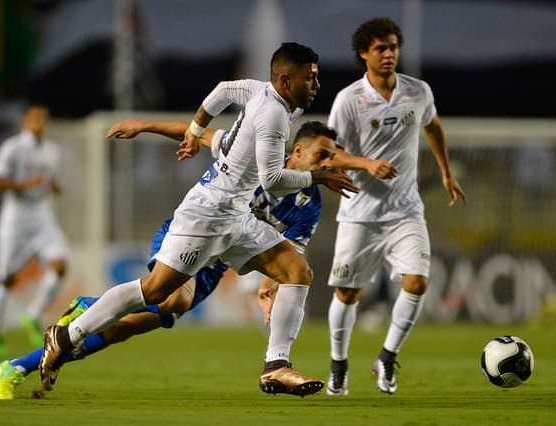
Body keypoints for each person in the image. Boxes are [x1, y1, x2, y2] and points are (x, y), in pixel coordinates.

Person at [39, 42, 359, 397]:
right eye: (309, 79)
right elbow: (272, 180)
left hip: (236, 214)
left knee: (297, 271)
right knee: (156, 291)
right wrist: (320, 177)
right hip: (209, 214)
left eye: (316, 78)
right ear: (285, 80)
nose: (316, 86)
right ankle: (66, 335)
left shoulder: (258, 91)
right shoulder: (275, 116)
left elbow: (222, 90)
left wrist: (195, 129)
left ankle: (276, 366)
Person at [0, 119, 338, 400]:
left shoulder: (310, 205)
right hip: (188, 233)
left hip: (215, 265)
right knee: (172, 298)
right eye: (322, 155)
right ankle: (87, 305)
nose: (327, 166)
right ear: (297, 150)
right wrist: (143, 126)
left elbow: (287, 257)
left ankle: (17, 367)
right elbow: (198, 133)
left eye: (331, 160)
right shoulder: (260, 155)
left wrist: (269, 291)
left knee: (124, 328)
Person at [324, 17, 466, 396]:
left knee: (417, 282)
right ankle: (339, 365)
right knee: (347, 295)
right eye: (380, 49)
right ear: (363, 54)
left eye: (393, 47)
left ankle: (386, 358)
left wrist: (446, 172)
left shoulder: (417, 92)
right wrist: (365, 163)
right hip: (361, 214)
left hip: (406, 211)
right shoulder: (349, 100)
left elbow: (432, 125)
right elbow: (329, 152)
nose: (389, 55)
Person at [0, 104, 69, 357]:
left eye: (43, 119)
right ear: (25, 122)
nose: (40, 123)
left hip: (41, 215)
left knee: (60, 265)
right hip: (16, 218)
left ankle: (31, 316)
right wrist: (23, 183)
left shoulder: (51, 150)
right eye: (35, 119)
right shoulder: (12, 148)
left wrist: (53, 186)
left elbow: (48, 178)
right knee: (6, 279)